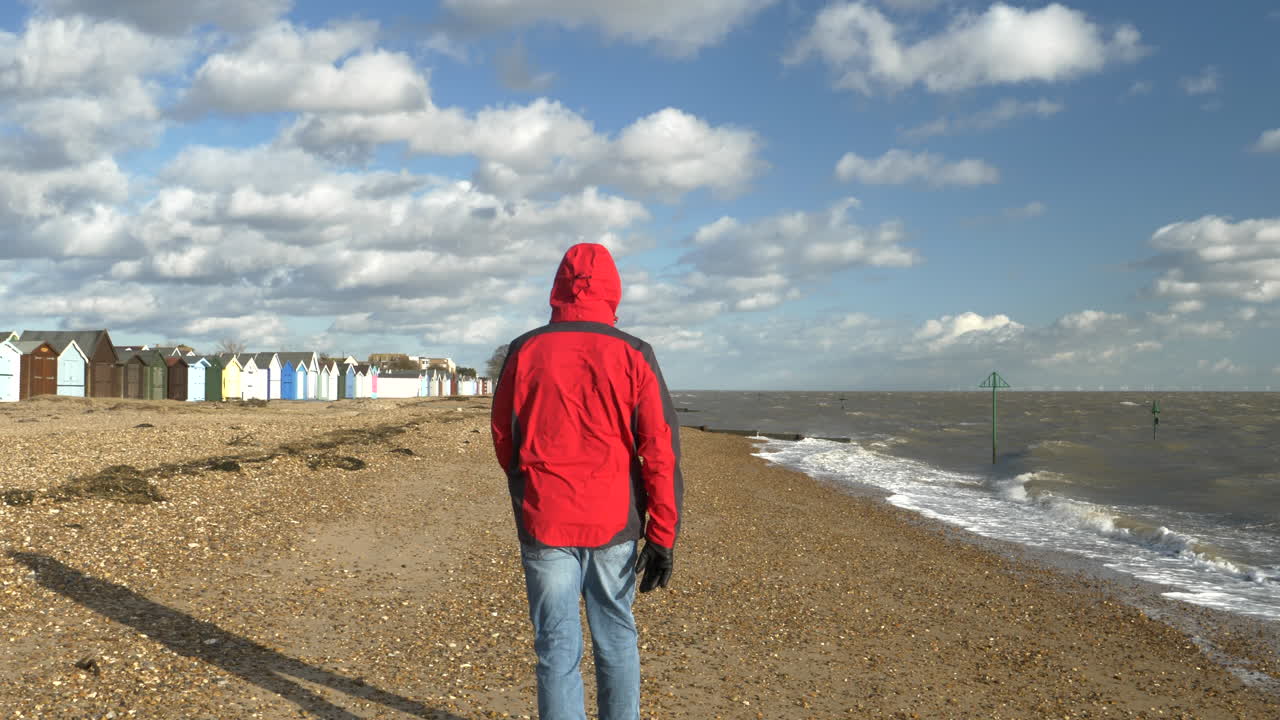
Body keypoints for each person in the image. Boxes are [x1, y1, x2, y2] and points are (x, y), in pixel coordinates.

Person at [490, 243, 683, 720]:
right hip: (612, 519)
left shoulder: (525, 349)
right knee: (615, 636)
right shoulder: (634, 353)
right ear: (613, 289)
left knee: (556, 647)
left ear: (558, 287)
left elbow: (504, 437)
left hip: (546, 516)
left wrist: (529, 482)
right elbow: (659, 449)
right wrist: (662, 536)